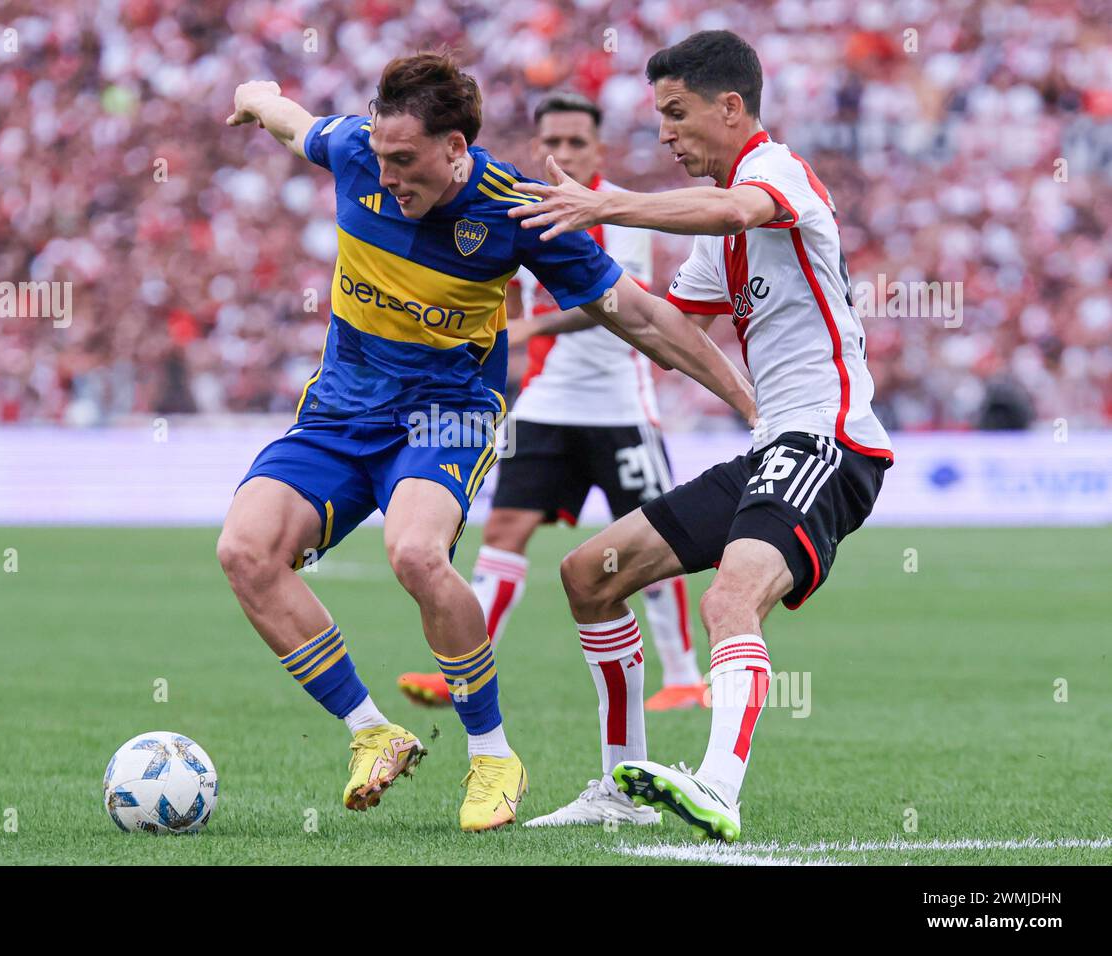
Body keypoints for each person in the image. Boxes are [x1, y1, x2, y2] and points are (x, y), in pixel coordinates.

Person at [216, 51, 755, 831]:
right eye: (381, 154)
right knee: (244, 552)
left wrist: (742, 396)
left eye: (407, 160)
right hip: (337, 413)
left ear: (456, 150)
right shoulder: (353, 150)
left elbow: (636, 314)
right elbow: (289, 120)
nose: (389, 172)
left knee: (414, 553)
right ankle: (374, 732)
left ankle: (492, 754)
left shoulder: (515, 208)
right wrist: (253, 91)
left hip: (446, 413)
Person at [509, 30, 893, 841]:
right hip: (773, 448)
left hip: (830, 444)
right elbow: (655, 320)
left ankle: (717, 785)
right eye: (659, 118)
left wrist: (606, 203)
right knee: (588, 574)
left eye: (676, 116)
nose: (665, 135)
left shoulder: (772, 173)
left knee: (729, 598)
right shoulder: (723, 239)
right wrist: (527, 324)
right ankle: (617, 784)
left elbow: (732, 206)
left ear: (731, 106)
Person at [397, 93, 707, 730]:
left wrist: (528, 328)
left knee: (653, 540)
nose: (563, 153)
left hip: (623, 407)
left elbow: (616, 302)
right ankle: (460, 666)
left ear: (598, 150)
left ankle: (682, 678)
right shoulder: (522, 206)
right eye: (553, 143)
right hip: (547, 405)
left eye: (576, 143)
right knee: (505, 530)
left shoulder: (618, 213)